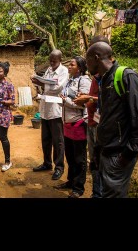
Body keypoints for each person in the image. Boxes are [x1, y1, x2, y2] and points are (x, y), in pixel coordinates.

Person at [85, 42, 138, 198]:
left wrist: (127, 155)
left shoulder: (126, 76)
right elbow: (106, 120)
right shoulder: (105, 80)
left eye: (87, 59)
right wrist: (97, 151)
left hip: (118, 155)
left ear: (96, 58)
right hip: (107, 152)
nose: (86, 64)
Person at [71, 35, 110, 198]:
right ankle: (96, 193)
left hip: (104, 127)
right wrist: (88, 96)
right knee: (94, 162)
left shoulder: (113, 76)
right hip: (93, 122)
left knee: (103, 164)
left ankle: (101, 193)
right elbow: (98, 96)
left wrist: (89, 98)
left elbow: (111, 100)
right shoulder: (97, 76)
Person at [31, 49, 69, 180]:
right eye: (50, 60)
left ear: (60, 60)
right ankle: (47, 163)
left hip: (56, 110)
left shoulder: (64, 71)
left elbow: (57, 88)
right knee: (46, 139)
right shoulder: (49, 70)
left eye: (54, 61)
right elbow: (47, 86)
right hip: (45, 109)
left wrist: (42, 83)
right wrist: (38, 83)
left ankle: (59, 167)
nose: (52, 63)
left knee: (58, 141)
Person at [57, 56, 91, 198]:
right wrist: (60, 100)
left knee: (79, 158)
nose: (69, 67)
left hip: (78, 123)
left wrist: (66, 102)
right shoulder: (70, 80)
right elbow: (66, 99)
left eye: (72, 65)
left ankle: (78, 188)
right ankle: (71, 181)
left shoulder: (84, 81)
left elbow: (83, 104)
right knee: (70, 156)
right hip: (67, 124)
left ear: (80, 68)